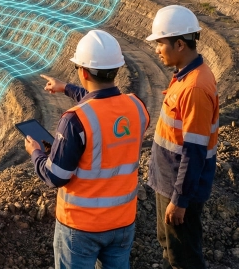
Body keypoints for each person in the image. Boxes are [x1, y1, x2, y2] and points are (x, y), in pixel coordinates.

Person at [24, 30, 150, 269]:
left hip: (81, 227)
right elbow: (105, 103)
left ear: (82, 71)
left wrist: (36, 152)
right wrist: (67, 88)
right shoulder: (137, 107)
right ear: (117, 69)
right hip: (123, 221)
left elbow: (55, 176)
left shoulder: (75, 120)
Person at [145, 5, 219, 269]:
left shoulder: (195, 88)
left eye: (160, 43)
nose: (156, 50)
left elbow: (195, 151)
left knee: (184, 258)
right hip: (169, 182)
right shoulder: (185, 77)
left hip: (178, 189)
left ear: (179, 44)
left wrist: (179, 200)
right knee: (171, 250)